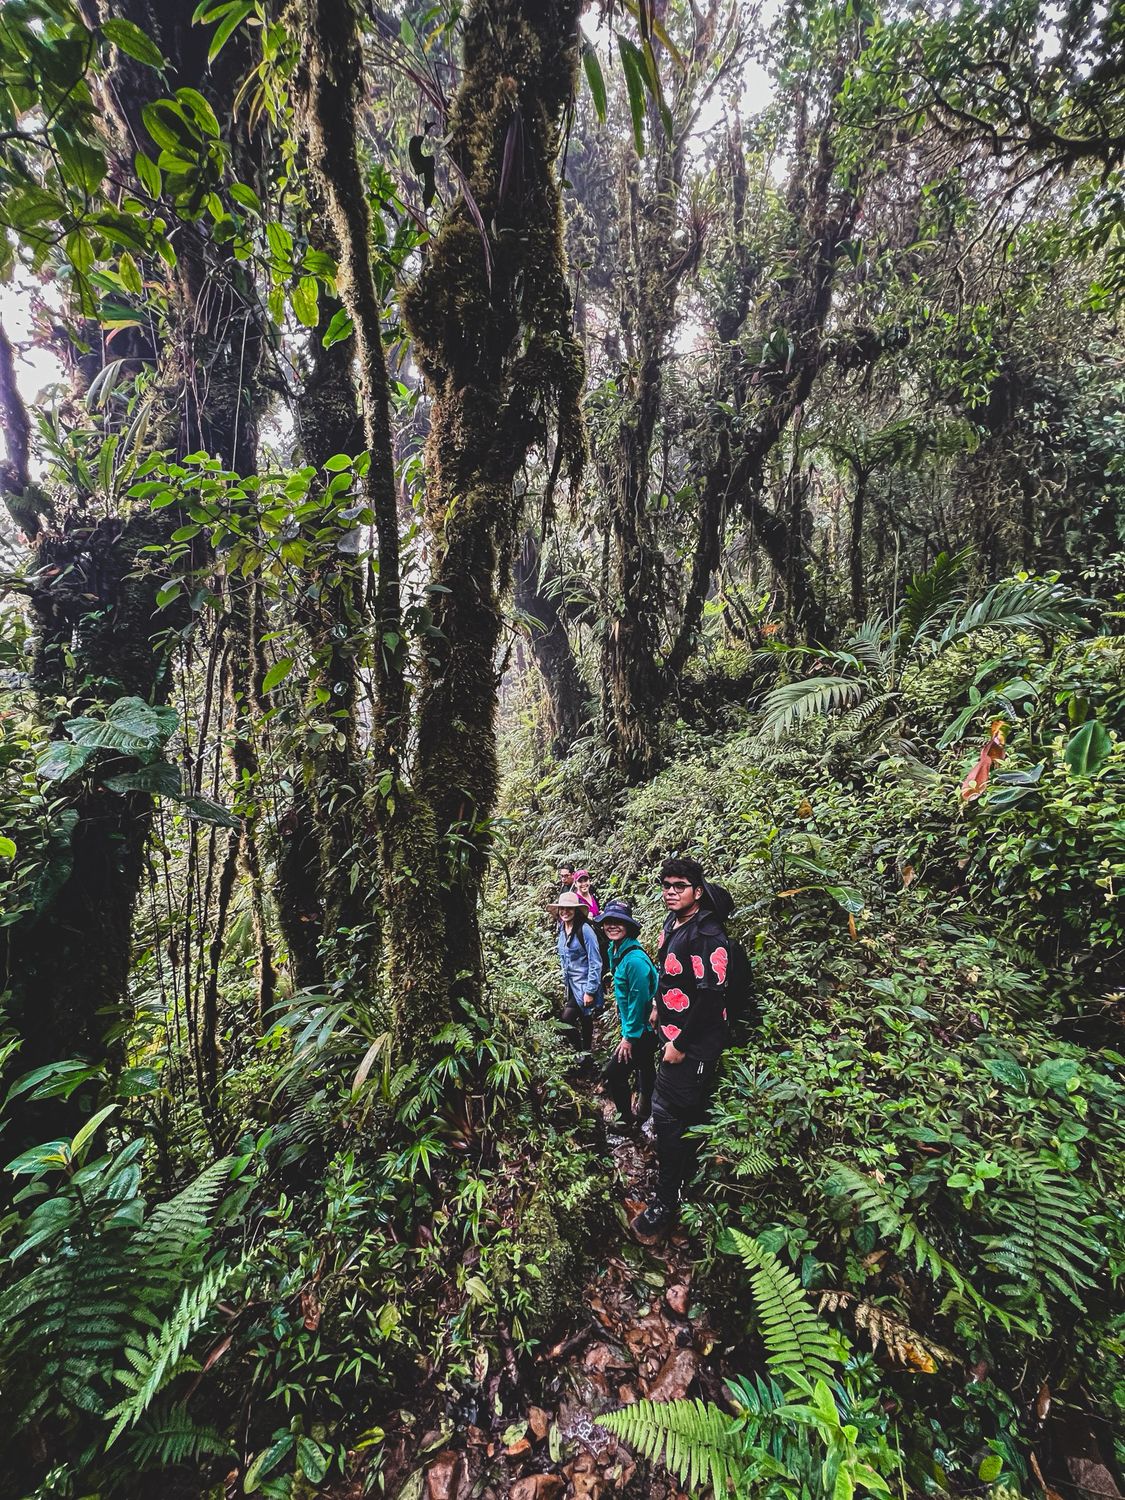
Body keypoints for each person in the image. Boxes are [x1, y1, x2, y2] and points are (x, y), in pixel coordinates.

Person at [631, 856, 731, 1245]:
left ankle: (667, 1203)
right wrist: (658, 1006)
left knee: (667, 1113)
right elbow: (670, 971)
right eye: (666, 884)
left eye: (679, 886)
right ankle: (678, 1187)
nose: (670, 891)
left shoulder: (708, 936)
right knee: (674, 1113)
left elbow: (711, 998)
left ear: (698, 891)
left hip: (693, 1047)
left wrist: (681, 1044)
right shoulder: (673, 923)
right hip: (670, 1035)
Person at [595, 899, 658, 1132]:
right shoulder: (616, 950)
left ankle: (625, 1122)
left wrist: (628, 1037)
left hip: (642, 1030)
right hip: (638, 1028)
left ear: (628, 926)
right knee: (644, 1066)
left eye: (618, 922)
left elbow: (639, 1000)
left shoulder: (634, 960)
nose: (612, 926)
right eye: (608, 922)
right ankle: (645, 1112)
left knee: (614, 1073)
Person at [549, 890, 603, 1055]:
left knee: (566, 1020)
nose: (565, 912)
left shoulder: (585, 930)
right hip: (571, 985)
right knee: (585, 1019)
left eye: (569, 908)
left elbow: (596, 961)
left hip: (585, 984)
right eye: (562, 908)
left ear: (576, 910)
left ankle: (582, 1052)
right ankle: (585, 1054)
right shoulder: (562, 928)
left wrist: (590, 990)